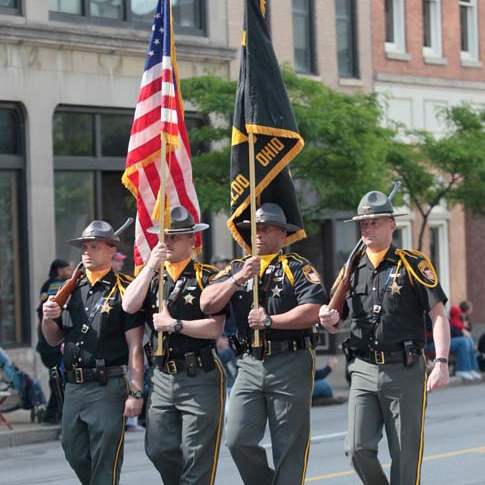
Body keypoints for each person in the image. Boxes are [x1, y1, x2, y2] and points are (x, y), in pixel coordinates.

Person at [319, 190, 450, 485]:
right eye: (363, 224)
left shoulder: (412, 264)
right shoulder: (351, 269)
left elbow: (438, 314)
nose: (367, 229)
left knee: (404, 457)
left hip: (403, 369)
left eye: (374, 222)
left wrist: (441, 361)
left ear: (392, 224)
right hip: (363, 368)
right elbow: (335, 318)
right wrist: (328, 319)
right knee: (356, 449)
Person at [200, 202, 327, 485]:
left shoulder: (296, 267)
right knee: (237, 439)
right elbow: (207, 302)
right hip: (249, 362)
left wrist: (271, 321)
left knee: (288, 446)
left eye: (266, 228)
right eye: (254, 229)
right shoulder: (236, 268)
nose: (258, 234)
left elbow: (314, 309)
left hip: (289, 360)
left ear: (282, 235)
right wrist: (239, 278)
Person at [122, 206, 226, 485]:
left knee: (197, 454)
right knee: (158, 448)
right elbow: (128, 304)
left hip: (199, 373)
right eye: (164, 237)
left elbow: (215, 328)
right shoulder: (152, 278)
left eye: (175, 238)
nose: (167, 243)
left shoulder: (207, 276)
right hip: (163, 376)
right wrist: (149, 267)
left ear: (192, 240)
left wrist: (176, 325)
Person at [42, 220, 145, 485]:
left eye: (94, 247)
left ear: (112, 250)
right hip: (74, 386)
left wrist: (135, 391)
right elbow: (54, 339)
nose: (87, 252)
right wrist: (48, 317)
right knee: (73, 451)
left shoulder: (126, 288)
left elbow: (135, 345)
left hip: (107, 384)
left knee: (105, 459)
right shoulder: (71, 288)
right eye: (84, 248)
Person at [36, 259, 72, 424]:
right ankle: (53, 415)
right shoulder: (58, 285)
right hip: (52, 342)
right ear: (59, 270)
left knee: (56, 380)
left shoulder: (47, 284)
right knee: (57, 380)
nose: (70, 270)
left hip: (46, 343)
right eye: (66, 268)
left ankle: (52, 415)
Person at [448, 303, 481, 381]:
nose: (460, 315)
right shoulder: (451, 321)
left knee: (468, 340)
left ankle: (471, 369)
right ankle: (462, 369)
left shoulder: (460, 319)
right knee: (464, 341)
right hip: (446, 342)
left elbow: (468, 329)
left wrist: (464, 329)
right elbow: (453, 333)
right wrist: (462, 331)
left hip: (454, 341)